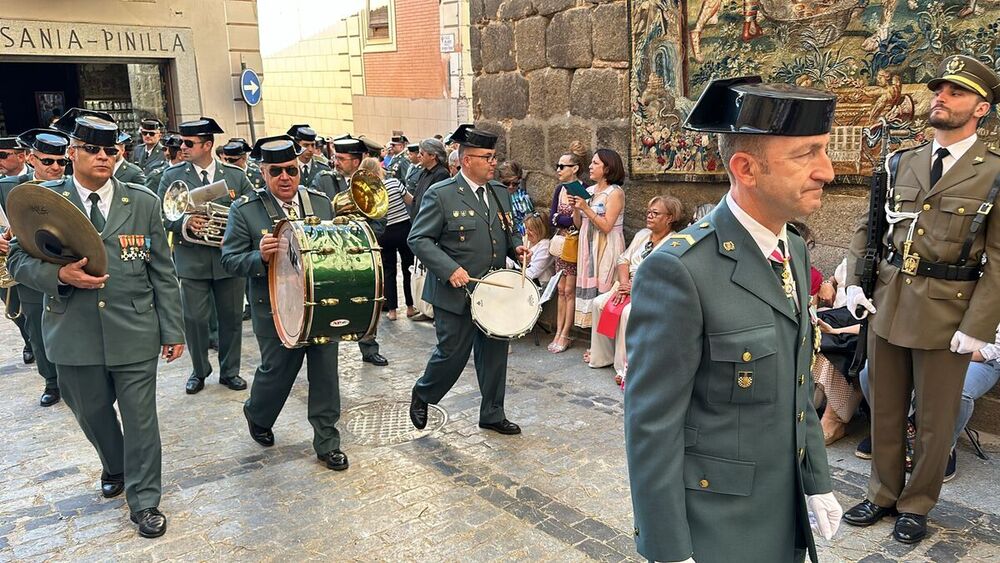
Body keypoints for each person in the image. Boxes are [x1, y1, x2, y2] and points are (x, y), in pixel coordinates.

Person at [624, 77, 843, 563]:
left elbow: (797, 385)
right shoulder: (680, 270)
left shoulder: (793, 246)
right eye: (806, 154)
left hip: (783, 513)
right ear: (745, 168)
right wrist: (669, 549)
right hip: (718, 528)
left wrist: (816, 482)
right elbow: (652, 426)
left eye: (824, 151)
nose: (827, 171)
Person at [842, 55, 1000, 544]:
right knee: (884, 407)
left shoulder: (991, 172)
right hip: (889, 302)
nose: (941, 97)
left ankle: (916, 503)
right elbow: (871, 225)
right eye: (939, 89)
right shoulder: (900, 161)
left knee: (934, 420)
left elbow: (998, 260)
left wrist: (976, 326)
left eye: (955, 92)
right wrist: (854, 281)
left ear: (981, 107)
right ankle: (883, 493)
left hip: (948, 312)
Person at [7, 110, 185, 538]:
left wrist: (173, 329)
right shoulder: (44, 201)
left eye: (111, 150)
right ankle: (114, 463)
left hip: (134, 329)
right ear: (72, 153)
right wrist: (58, 276)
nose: (103, 156)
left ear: (119, 154)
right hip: (74, 331)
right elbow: (16, 258)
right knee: (90, 412)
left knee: (142, 419)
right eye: (92, 148)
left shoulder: (141, 201)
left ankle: (144, 500)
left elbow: (162, 269)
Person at [220, 135, 349, 472]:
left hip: (321, 304)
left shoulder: (321, 203)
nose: (285, 177)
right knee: (278, 371)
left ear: (299, 169)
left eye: (290, 169)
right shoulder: (245, 209)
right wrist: (258, 257)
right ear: (263, 173)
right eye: (275, 171)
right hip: (274, 307)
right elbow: (229, 260)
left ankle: (327, 441)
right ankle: (258, 413)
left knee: (325, 374)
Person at [408, 124, 531, 436]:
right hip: (455, 293)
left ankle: (492, 412)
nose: (493, 163)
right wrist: (449, 269)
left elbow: (506, 229)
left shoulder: (500, 192)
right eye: (486, 157)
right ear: (465, 161)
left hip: (491, 292)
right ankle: (424, 393)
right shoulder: (442, 195)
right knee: (452, 354)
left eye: (494, 156)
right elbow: (419, 239)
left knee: (494, 355)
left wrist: (516, 247)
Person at [158, 116, 254, 395]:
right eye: (182, 142)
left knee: (231, 318)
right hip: (192, 260)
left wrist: (236, 233)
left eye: (189, 143)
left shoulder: (235, 175)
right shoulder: (172, 176)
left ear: (207, 145)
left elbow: (249, 211)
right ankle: (199, 370)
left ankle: (230, 371)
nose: (183, 147)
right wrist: (184, 223)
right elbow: (162, 215)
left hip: (228, 260)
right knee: (195, 320)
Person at [857, 322, 1000, 482]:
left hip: (977, 358)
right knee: (872, 370)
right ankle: (893, 433)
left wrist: (938, 358)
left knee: (959, 392)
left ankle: (942, 448)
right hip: (923, 347)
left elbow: (993, 348)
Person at [0, 128, 72, 406]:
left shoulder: (71, 186)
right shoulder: (10, 186)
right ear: (31, 159)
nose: (55, 167)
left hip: (67, 268)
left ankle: (74, 378)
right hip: (30, 270)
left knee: (73, 326)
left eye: (61, 161)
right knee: (38, 329)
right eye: (48, 161)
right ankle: (51, 383)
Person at [588, 195, 682, 386]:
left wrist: (635, 286)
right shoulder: (642, 235)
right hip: (626, 284)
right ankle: (601, 356)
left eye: (655, 213)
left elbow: (667, 275)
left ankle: (624, 368)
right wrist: (624, 283)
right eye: (648, 212)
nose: (649, 216)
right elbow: (623, 259)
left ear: (670, 218)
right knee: (598, 303)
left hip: (649, 290)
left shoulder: (675, 243)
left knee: (627, 313)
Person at [328, 135, 390, 366]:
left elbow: (380, 223)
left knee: (367, 301)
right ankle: (327, 345)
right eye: (336, 157)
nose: (336, 162)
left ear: (356, 161)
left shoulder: (370, 184)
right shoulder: (323, 180)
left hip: (362, 254)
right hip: (330, 254)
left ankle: (369, 347)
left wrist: (356, 231)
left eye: (342, 159)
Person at [572, 148, 626, 331]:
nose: (590, 166)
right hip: (588, 247)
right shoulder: (588, 190)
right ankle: (594, 342)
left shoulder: (615, 193)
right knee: (592, 290)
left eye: (595, 163)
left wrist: (586, 209)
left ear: (608, 168)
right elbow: (579, 225)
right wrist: (576, 208)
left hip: (606, 246)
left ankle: (605, 344)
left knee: (606, 290)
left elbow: (607, 226)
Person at [359, 156, 416, 320]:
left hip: (384, 232)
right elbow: (411, 201)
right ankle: (410, 307)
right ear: (378, 169)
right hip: (404, 229)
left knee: (389, 271)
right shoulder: (393, 183)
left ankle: (392, 311)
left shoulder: (367, 191)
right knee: (408, 268)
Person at [548, 141, 588, 353]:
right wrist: (566, 219)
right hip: (561, 243)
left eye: (562, 166)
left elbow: (579, 223)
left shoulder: (582, 190)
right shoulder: (559, 190)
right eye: (558, 166)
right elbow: (552, 219)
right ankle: (558, 331)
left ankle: (565, 333)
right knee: (560, 288)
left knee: (569, 290)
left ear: (575, 168)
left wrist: (567, 217)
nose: (558, 170)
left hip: (573, 244)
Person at [411, 138, 450, 217]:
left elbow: (435, 204)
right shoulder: (424, 172)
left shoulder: (441, 174)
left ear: (432, 155)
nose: (418, 156)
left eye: (422, 154)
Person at [496, 161, 534, 237]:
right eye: (506, 183)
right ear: (500, 180)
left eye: (515, 184)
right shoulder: (494, 197)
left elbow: (531, 221)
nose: (511, 187)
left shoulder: (524, 197)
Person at [287, 124, 330, 188]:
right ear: (296, 146)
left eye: (312, 145)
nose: (310, 149)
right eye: (306, 145)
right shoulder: (288, 169)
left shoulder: (324, 169)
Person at [521, 213, 555, 285]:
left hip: (539, 284)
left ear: (540, 230)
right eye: (526, 228)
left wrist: (514, 276)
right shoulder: (524, 240)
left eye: (530, 229)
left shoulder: (545, 246)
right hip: (524, 280)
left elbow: (533, 272)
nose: (526, 232)